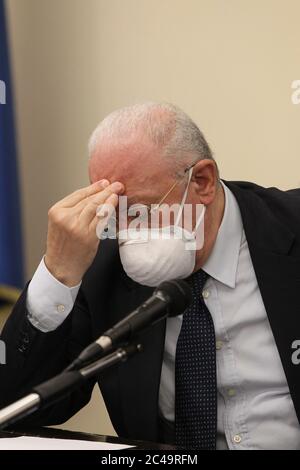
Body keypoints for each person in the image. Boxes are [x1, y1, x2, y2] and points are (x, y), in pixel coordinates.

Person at [1, 102, 300, 450]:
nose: (127, 233)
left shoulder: (290, 226)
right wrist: (57, 274)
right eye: (115, 213)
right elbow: (18, 412)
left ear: (202, 181)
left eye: (142, 211)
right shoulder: (99, 265)